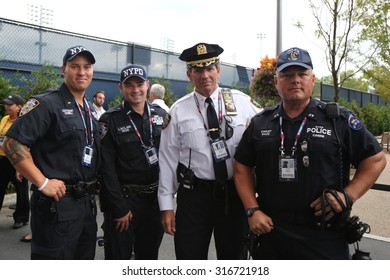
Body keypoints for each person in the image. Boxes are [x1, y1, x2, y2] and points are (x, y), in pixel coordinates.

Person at [233, 47, 387, 260]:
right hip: (272, 233)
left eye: (301, 74)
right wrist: (252, 210)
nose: (295, 80)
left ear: (312, 79)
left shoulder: (337, 120)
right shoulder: (261, 122)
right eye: (287, 75)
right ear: (276, 82)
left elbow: (376, 159)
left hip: (324, 236)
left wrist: (347, 195)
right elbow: (241, 165)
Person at [157, 42, 262, 260]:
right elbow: (168, 160)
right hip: (195, 196)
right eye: (198, 70)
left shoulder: (243, 104)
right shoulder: (178, 111)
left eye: (209, 68)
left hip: (234, 194)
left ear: (218, 71)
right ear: (189, 74)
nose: (204, 75)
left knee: (234, 258)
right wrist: (166, 206)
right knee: (190, 257)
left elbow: (266, 139)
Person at [3, 45, 100, 259]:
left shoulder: (88, 108)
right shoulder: (45, 103)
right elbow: (11, 143)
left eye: (87, 66)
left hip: (86, 205)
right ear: (63, 69)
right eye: (74, 66)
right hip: (57, 206)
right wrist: (42, 182)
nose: (81, 72)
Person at [99, 64, 167, 260]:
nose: (135, 90)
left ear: (147, 85)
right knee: (118, 257)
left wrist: (166, 202)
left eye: (139, 84)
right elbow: (107, 168)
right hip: (125, 201)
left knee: (148, 257)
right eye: (129, 85)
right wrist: (118, 207)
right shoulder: (109, 119)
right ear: (121, 88)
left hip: (154, 202)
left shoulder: (161, 116)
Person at [0, 94, 30, 230]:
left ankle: (21, 218)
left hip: (18, 161)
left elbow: (27, 143)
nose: (6, 106)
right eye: (6, 104)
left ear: (19, 107)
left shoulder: (24, 121)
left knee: (21, 191)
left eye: (10, 104)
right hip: (2, 159)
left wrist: (20, 167)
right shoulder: (4, 119)